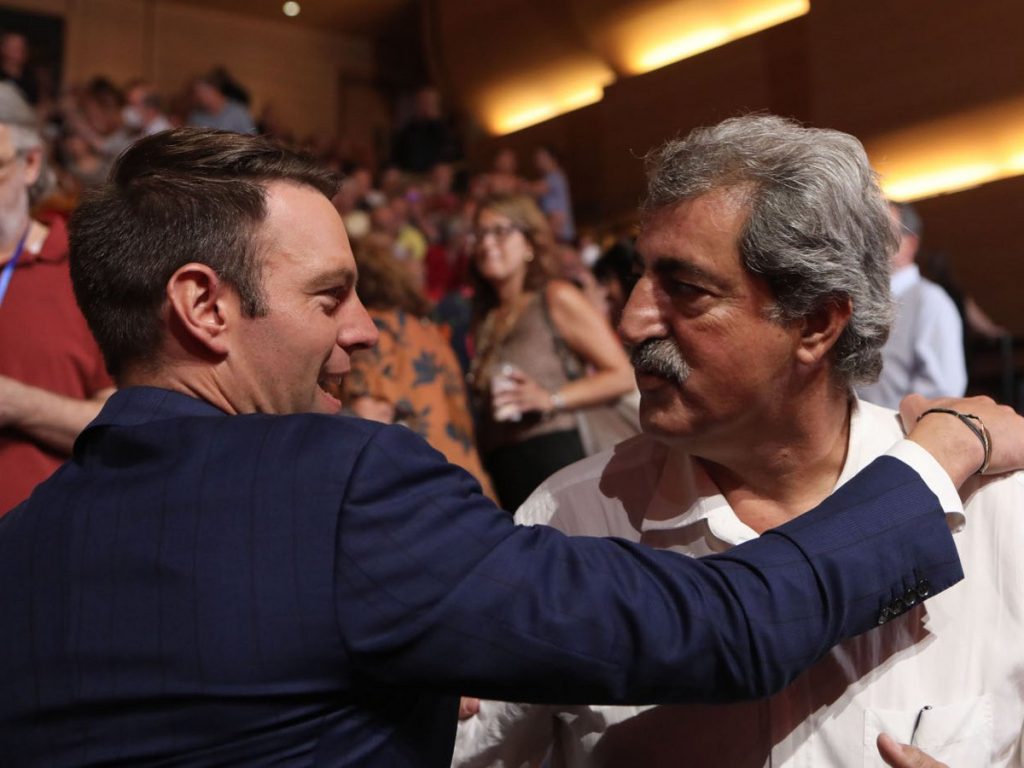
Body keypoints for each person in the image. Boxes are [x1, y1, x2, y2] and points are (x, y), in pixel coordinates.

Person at [0, 127, 1019, 767]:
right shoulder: (530, 513)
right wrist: (940, 461)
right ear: (203, 307)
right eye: (329, 295)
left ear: (817, 323)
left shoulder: (20, 545)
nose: (366, 329)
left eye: (684, 289)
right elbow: (729, 624)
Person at [453, 115, 1024, 768]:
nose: (632, 322)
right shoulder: (570, 523)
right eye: (640, 277)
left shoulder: (998, 513)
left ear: (815, 323)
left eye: (686, 290)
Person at [466, 194, 634, 510]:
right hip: (505, 467)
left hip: (557, 455)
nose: (487, 243)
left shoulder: (555, 297)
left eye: (500, 231)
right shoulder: (485, 317)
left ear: (530, 243)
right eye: (479, 234)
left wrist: (551, 398)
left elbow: (623, 375)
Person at [0, 82, 113, 513]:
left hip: (35, 536)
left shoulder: (82, 270)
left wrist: (17, 404)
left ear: (30, 164)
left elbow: (123, 423)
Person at [341, 237, 496, 498]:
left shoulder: (373, 334)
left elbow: (369, 418)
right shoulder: (426, 330)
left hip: (424, 489)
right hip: (469, 482)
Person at [857, 202, 967, 408]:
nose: (870, 241)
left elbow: (942, 389)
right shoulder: (859, 299)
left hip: (899, 426)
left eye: (882, 231)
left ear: (910, 244)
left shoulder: (930, 301)